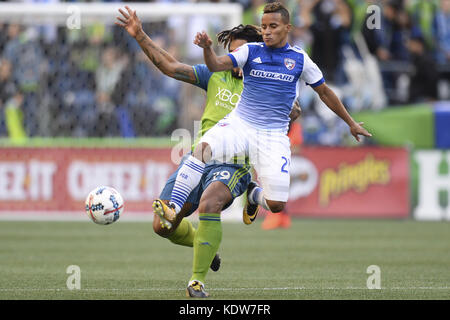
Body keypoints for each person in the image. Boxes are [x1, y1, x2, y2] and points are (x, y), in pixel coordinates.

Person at [153, 1, 371, 295]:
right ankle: (174, 207)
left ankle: (253, 194)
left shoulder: (300, 60)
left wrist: (350, 122)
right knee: (201, 148)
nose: (267, 32)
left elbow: (324, 91)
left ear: (287, 28)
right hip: (241, 125)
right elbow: (217, 64)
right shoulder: (249, 52)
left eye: (272, 27)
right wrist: (207, 48)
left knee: (278, 204)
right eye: (264, 27)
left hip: (271, 137)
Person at [115, 6, 301, 298]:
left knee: (209, 204)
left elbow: (285, 117)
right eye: (232, 54)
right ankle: (207, 245)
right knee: (162, 226)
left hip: (234, 163)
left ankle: (196, 282)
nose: (237, 62)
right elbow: (170, 66)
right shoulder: (215, 75)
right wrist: (140, 35)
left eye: (243, 54)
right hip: (199, 159)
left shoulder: (268, 81)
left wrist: (291, 113)